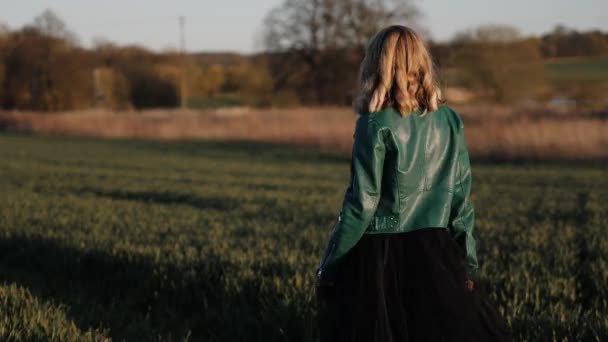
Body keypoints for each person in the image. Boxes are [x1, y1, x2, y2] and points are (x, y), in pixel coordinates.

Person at [315, 25, 512, 342]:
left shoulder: (373, 122)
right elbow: (461, 200)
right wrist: (468, 263)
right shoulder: (449, 120)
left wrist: (329, 265)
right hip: (436, 250)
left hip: (381, 252)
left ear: (375, 64)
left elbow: (362, 203)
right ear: (421, 63)